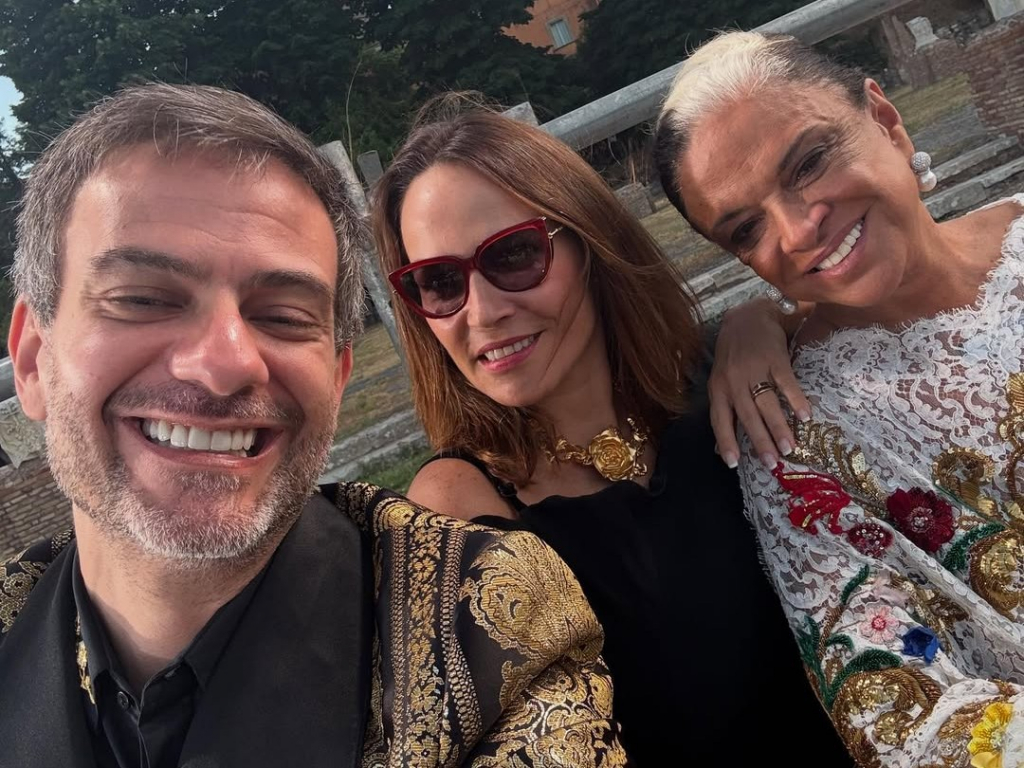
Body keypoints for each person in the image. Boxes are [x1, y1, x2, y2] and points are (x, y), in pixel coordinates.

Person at [0, 83, 628, 767]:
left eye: (283, 316)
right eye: (143, 299)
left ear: (336, 376)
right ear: (31, 360)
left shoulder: (487, 631)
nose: (226, 364)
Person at [371, 94, 851, 765]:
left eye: (513, 255)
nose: (480, 312)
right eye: (439, 280)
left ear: (591, 243)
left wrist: (755, 321)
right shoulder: (459, 512)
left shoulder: (719, 378)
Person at [655, 29, 1024, 767]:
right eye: (747, 228)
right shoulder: (794, 445)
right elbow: (899, 717)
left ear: (884, 119)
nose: (798, 231)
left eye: (809, 162)